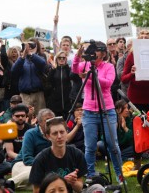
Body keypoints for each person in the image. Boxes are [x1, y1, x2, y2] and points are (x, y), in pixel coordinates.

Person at [72, 41, 123, 183]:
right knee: (90, 146)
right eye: (93, 51)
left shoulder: (109, 66)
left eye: (98, 51)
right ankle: (90, 175)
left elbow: (108, 83)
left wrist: (92, 74)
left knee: (112, 145)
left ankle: (120, 176)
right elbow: (75, 69)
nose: (94, 53)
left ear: (104, 53)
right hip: (88, 111)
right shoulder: (86, 64)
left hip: (107, 109)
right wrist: (78, 55)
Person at [29, 117, 105, 193]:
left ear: (67, 132)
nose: (59, 136)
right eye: (55, 133)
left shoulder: (77, 154)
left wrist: (73, 182)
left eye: (62, 132)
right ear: (48, 136)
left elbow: (79, 189)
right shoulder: (41, 159)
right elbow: (36, 190)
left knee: (98, 188)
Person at [9, 109, 54, 189]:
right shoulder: (30, 133)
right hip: (22, 164)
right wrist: (45, 165)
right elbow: (27, 159)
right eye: (47, 120)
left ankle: (21, 186)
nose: (50, 123)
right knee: (34, 172)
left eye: (52, 120)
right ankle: (8, 184)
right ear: (39, 122)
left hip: (44, 168)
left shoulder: (55, 135)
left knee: (45, 181)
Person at [11, 38, 47, 112]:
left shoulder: (41, 57)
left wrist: (31, 54)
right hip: (25, 95)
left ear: (37, 47)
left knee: (40, 117)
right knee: (25, 116)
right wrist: (23, 56)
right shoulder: (21, 60)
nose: (30, 47)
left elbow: (42, 63)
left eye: (32, 45)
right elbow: (14, 70)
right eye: (28, 45)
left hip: (38, 94)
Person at [46, 51, 72, 118]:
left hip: (67, 100)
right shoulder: (53, 69)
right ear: (56, 59)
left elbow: (71, 77)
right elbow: (48, 81)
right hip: (55, 100)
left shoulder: (68, 69)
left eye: (63, 58)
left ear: (66, 59)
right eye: (59, 58)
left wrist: (66, 67)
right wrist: (53, 69)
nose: (61, 59)